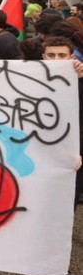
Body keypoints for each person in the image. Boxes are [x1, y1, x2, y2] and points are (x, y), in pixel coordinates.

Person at [41, 36, 83, 207]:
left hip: (73, 154)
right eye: (51, 55)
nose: (56, 59)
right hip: (41, 151)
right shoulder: (29, 77)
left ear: (71, 57)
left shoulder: (79, 79)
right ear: (43, 57)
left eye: (62, 55)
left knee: (66, 201)